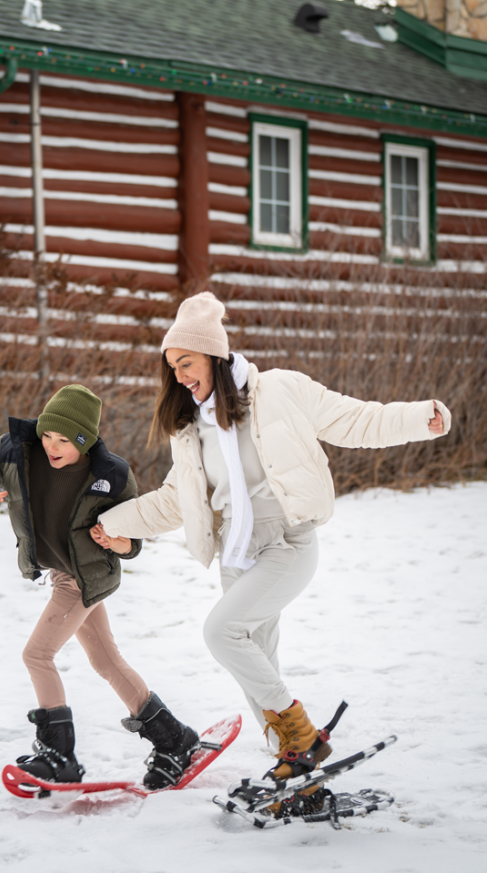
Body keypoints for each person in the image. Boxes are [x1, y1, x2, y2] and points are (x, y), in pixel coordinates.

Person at [91, 292, 450, 798]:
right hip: (237, 558)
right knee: (259, 675)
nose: (178, 376)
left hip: (287, 543)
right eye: (171, 367)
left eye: (186, 363)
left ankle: (302, 738)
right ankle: (296, 774)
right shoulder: (190, 427)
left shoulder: (280, 390)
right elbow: (178, 500)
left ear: (213, 354)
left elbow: (353, 420)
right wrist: (114, 521)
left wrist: (418, 418)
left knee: (221, 632)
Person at [0, 384, 198, 789]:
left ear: (84, 442)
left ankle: (58, 755)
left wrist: (117, 541)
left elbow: (132, 538)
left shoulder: (111, 475)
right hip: (63, 573)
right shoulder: (19, 447)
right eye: (48, 435)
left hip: (83, 579)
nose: (51, 445)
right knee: (105, 661)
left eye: (64, 440)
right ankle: (174, 739)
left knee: (37, 655)